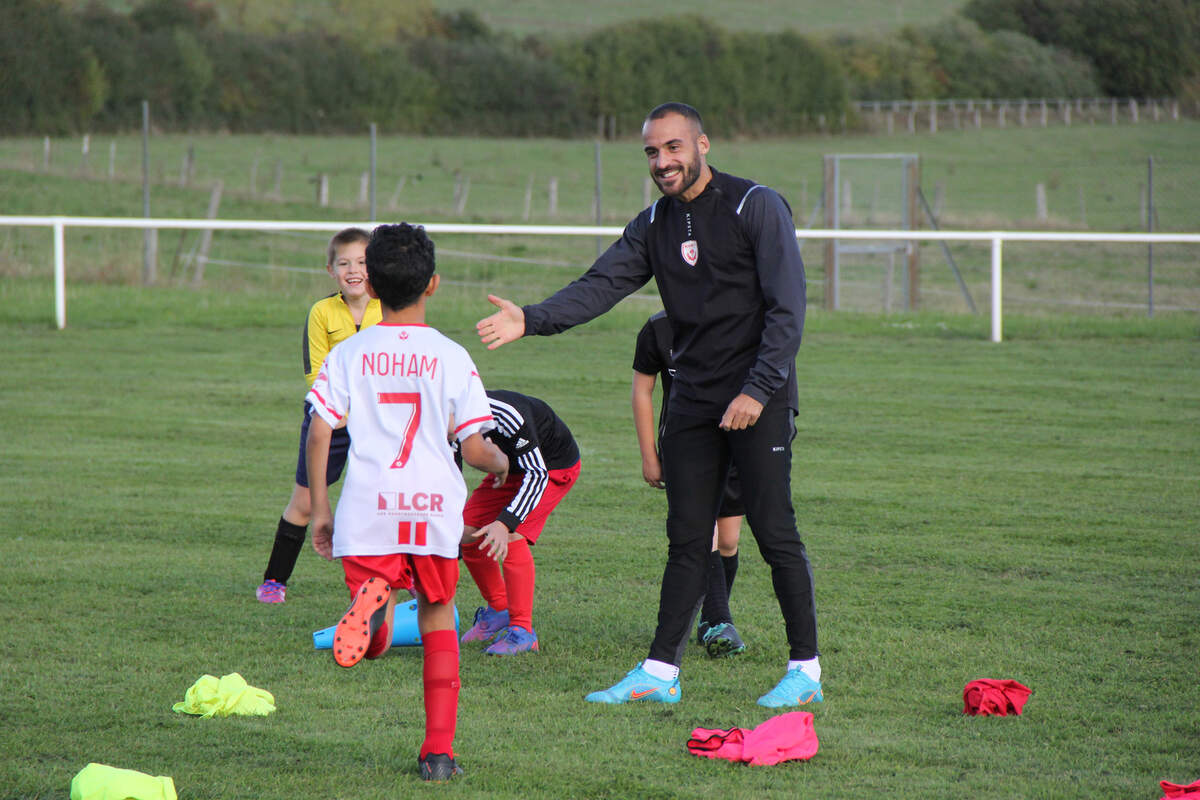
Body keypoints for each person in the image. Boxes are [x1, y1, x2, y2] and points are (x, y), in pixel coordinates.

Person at [476, 102, 821, 708]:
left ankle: (805, 671)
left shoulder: (755, 205)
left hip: (756, 401)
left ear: (703, 144)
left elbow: (788, 309)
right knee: (687, 539)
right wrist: (531, 319)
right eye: (652, 153)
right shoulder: (655, 223)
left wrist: (758, 390)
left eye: (673, 148)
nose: (663, 162)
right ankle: (660, 674)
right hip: (691, 405)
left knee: (774, 531)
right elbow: (601, 285)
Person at [306, 222, 510, 783]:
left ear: (369, 286)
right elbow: (473, 446)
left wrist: (321, 510)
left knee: (377, 633)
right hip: (431, 508)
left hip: (367, 507)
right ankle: (438, 754)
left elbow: (320, 430)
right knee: (438, 616)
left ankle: (374, 602)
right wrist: (504, 463)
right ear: (434, 285)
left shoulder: (350, 353)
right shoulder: (451, 355)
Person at [256, 227, 382, 604]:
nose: (354, 270)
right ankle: (274, 580)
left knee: (383, 498)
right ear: (331, 270)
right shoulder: (321, 312)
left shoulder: (387, 309)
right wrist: (337, 413)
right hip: (332, 420)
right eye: (344, 263)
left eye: (362, 262)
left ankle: (391, 581)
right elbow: (315, 373)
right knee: (306, 502)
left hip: (377, 421)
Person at [632, 310, 745, 658]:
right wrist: (649, 454)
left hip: (737, 443)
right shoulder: (658, 328)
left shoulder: (737, 319)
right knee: (703, 533)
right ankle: (718, 620)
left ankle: (709, 619)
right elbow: (642, 390)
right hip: (686, 447)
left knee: (728, 541)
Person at [458, 389, 582, 655]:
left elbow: (537, 474)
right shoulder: (440, 417)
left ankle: (523, 631)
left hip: (551, 468)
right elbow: (449, 475)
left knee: (512, 535)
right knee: (466, 533)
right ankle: (499, 609)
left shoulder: (505, 414)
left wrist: (505, 523)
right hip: (511, 471)